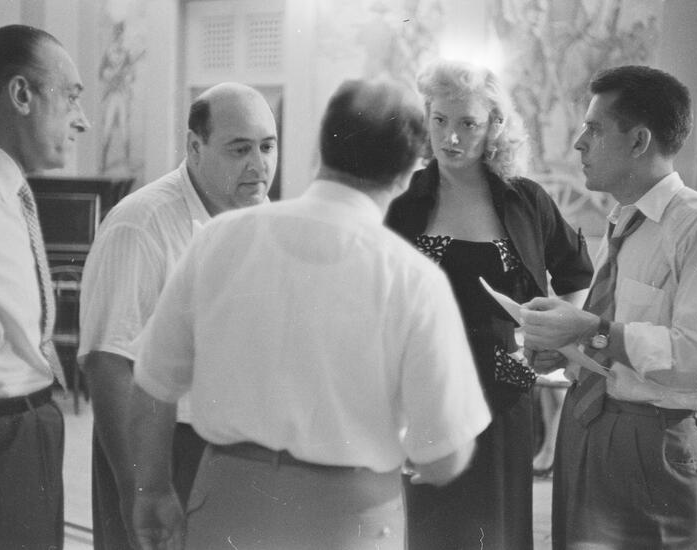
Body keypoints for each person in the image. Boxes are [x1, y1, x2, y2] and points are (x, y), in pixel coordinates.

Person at [128, 77, 491, 550]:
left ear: (322, 149)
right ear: (409, 171)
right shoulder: (413, 278)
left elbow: (151, 385)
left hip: (228, 503)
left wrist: (152, 489)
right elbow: (445, 457)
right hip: (349, 519)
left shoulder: (218, 239)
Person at [521, 65, 697, 549]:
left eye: (594, 128)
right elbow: (617, 339)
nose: (579, 143)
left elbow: (696, 359)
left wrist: (590, 329)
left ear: (639, 141)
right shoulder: (625, 221)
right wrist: (567, 352)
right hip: (586, 424)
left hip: (648, 442)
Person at [385, 59, 593, 550]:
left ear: (495, 126)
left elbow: (576, 273)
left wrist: (553, 337)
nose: (451, 137)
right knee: (432, 529)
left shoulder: (526, 200)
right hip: (427, 392)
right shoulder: (405, 203)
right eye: (440, 120)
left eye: (468, 123)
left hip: (503, 394)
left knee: (496, 529)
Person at [78, 82, 278, 548]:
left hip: (236, 449)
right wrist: (142, 489)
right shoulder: (140, 224)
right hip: (161, 448)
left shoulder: (262, 216)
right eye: (240, 149)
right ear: (194, 147)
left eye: (267, 147)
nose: (259, 165)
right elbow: (108, 364)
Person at [0, 24, 89, 547]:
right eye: (71, 96)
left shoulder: (7, 188)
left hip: (28, 428)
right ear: (21, 94)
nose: (82, 120)